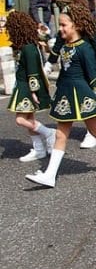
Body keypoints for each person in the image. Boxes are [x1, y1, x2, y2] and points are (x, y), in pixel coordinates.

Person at [26, 4, 96, 188]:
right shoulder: (65, 47)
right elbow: (64, 73)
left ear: (76, 25)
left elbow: (93, 73)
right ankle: (50, 175)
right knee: (61, 135)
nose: (60, 28)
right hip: (67, 95)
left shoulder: (85, 48)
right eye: (59, 25)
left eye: (63, 25)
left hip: (82, 95)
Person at [50, 0, 96, 149]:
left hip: (90, 61)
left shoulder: (84, 20)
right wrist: (50, 61)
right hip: (74, 63)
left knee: (91, 95)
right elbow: (59, 42)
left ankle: (93, 131)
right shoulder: (66, 25)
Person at [6, 11, 56, 162]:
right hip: (23, 85)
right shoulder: (27, 45)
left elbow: (33, 71)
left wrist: (34, 90)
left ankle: (48, 133)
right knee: (29, 118)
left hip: (26, 87)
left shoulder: (28, 48)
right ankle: (39, 150)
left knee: (20, 119)